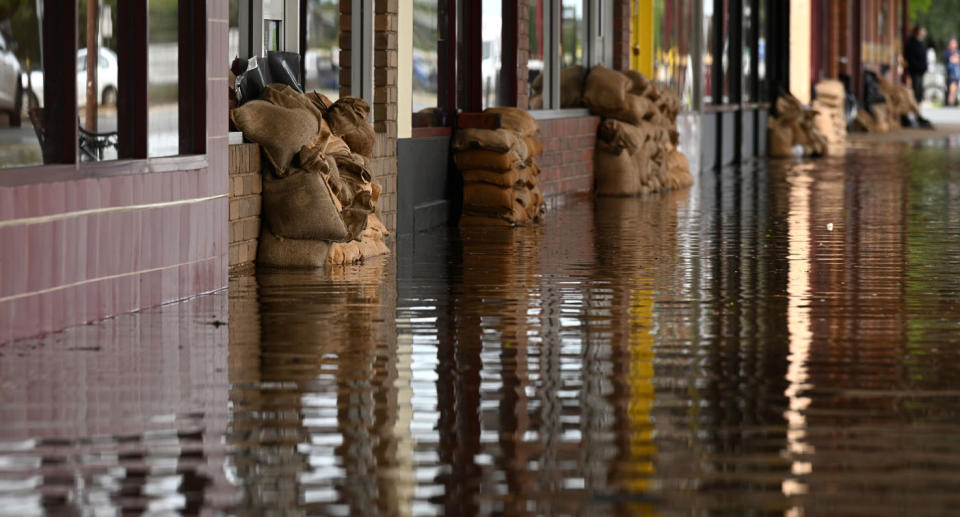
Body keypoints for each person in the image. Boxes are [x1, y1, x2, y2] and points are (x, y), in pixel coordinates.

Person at [905, 26, 929, 103]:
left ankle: (918, 103)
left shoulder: (921, 43)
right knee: (916, 88)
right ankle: (915, 103)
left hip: (921, 70)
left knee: (919, 88)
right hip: (915, 70)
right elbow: (910, 57)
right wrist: (916, 66)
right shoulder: (912, 43)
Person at [946, 39, 960, 106]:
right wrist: (955, 58)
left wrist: (955, 59)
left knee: (955, 90)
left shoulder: (958, 52)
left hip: (957, 73)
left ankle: (953, 103)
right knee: (952, 90)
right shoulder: (948, 52)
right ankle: (950, 104)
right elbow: (951, 60)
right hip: (951, 73)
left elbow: (957, 60)